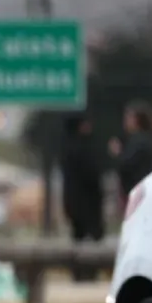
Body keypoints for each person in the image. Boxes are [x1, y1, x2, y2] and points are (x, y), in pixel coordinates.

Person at [59, 113, 104, 282]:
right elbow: (91, 175)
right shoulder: (84, 148)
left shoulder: (65, 147)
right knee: (91, 238)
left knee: (77, 236)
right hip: (87, 202)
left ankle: (78, 273)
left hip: (72, 201)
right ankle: (89, 272)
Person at [109, 101, 152, 212]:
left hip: (136, 191)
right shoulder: (146, 139)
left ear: (137, 120)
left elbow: (127, 164)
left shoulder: (139, 142)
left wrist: (118, 153)